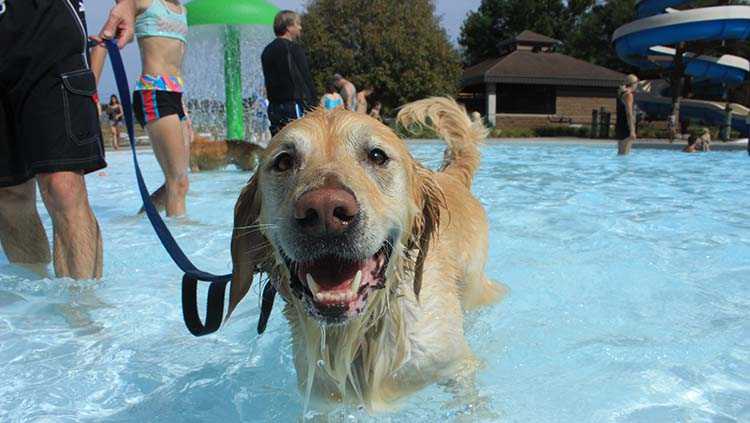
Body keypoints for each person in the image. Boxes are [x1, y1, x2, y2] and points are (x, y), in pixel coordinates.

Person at [0, 0, 136, 279]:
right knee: (8, 194)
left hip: (48, 28)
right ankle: (39, 308)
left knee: (63, 185)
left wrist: (127, 3)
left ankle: (83, 315)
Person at [131, 0, 192, 217]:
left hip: (175, 94)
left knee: (180, 180)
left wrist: (184, 108)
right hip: (153, 90)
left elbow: (178, 62)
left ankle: (144, 216)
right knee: (178, 180)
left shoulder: (183, 11)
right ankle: (178, 236)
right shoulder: (146, 2)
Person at [261, 10, 317, 135]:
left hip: (274, 106)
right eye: (298, 24)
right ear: (288, 27)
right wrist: (313, 105)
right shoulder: (293, 49)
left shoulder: (267, 51)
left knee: (279, 142)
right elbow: (304, 78)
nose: (300, 27)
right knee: (299, 140)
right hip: (293, 104)